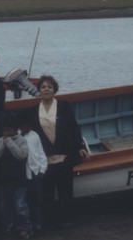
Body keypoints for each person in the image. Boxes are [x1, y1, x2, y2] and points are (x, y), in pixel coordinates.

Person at [29, 74, 89, 226]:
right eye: (43, 87)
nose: (46, 89)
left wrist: (80, 147)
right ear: (39, 91)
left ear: (54, 90)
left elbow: (73, 127)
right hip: (46, 155)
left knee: (65, 190)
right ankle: (49, 221)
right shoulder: (33, 110)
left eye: (49, 87)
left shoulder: (64, 106)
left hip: (64, 153)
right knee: (47, 190)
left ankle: (67, 220)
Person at [0, 112, 31, 238]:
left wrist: (9, 142)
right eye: (3, 130)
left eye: (8, 130)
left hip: (19, 179)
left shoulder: (22, 140)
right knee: (4, 205)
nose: (5, 133)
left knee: (20, 205)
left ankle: (25, 227)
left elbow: (21, 155)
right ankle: (9, 226)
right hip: (4, 179)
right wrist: (3, 143)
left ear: (15, 129)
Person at [17, 110, 48, 232]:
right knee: (23, 201)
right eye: (24, 125)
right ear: (20, 126)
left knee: (37, 199)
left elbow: (40, 153)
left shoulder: (35, 135)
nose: (27, 127)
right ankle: (26, 224)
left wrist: (43, 169)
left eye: (29, 125)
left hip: (35, 173)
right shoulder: (17, 137)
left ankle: (37, 222)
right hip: (22, 174)